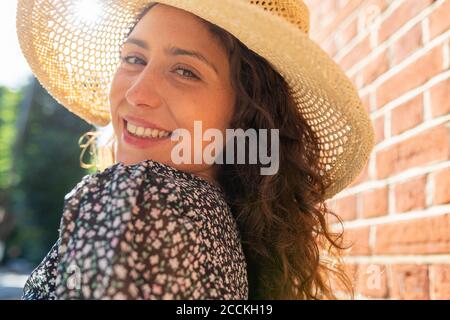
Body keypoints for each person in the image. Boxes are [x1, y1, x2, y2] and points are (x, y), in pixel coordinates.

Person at [16, 0, 375, 299]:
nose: (137, 93)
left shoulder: (142, 199)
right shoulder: (229, 228)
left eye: (185, 71)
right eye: (134, 59)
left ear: (245, 113)